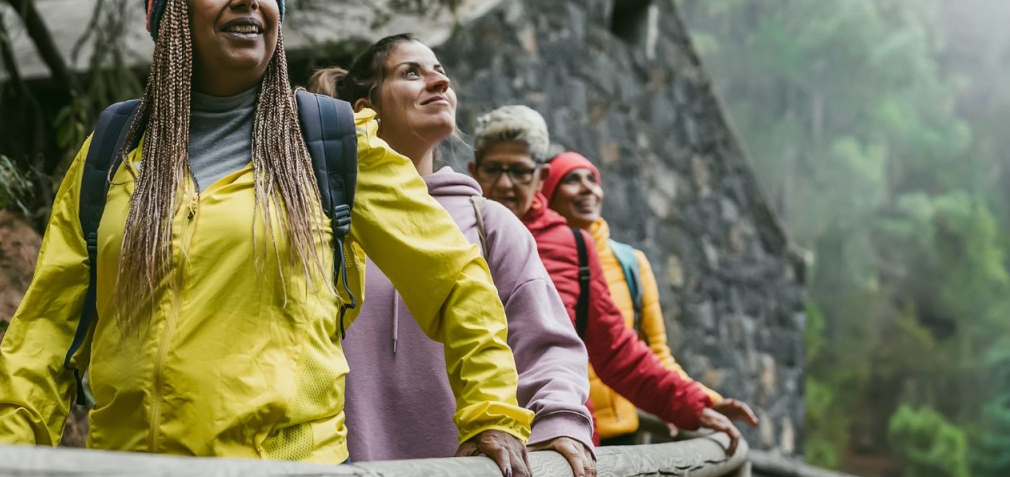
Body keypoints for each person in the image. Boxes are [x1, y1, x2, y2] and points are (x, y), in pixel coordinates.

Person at [0, 0, 533, 471]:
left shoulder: (330, 142)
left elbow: (457, 279)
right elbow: (48, 327)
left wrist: (490, 414)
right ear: (174, 14)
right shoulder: (115, 151)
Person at [308, 34, 596, 477]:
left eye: (441, 71)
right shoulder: (324, 216)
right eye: (411, 72)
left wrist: (559, 421)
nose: (439, 83)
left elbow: (547, 343)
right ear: (366, 108)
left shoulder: (488, 222)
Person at [470, 106, 759, 454]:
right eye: (493, 170)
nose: (504, 183)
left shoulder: (574, 246)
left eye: (518, 171)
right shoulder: (452, 230)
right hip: (470, 436)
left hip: (557, 443)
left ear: (540, 176)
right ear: (473, 171)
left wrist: (695, 405)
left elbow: (619, 352)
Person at [543, 151, 723, 445]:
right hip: (564, 431)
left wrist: (704, 402)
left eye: (593, 179)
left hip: (624, 434)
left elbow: (655, 353)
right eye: (572, 180)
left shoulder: (630, 262)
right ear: (547, 191)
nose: (588, 188)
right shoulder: (533, 255)